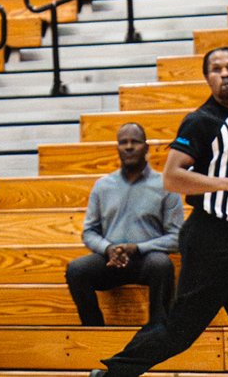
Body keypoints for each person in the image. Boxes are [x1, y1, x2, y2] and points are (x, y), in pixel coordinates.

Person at [88, 46, 228, 377]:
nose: (225, 73)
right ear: (207, 78)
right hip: (209, 239)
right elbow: (172, 177)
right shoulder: (200, 122)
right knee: (179, 331)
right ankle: (114, 374)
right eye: (216, 69)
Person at [66, 124, 181, 327]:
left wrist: (138, 248)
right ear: (117, 148)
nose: (128, 147)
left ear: (146, 147)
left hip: (146, 260)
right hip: (110, 261)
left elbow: (177, 237)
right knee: (76, 270)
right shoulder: (102, 186)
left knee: (162, 265)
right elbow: (89, 232)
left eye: (135, 142)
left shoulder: (165, 185)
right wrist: (108, 248)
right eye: (123, 142)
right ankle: (94, 330)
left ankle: (159, 331)